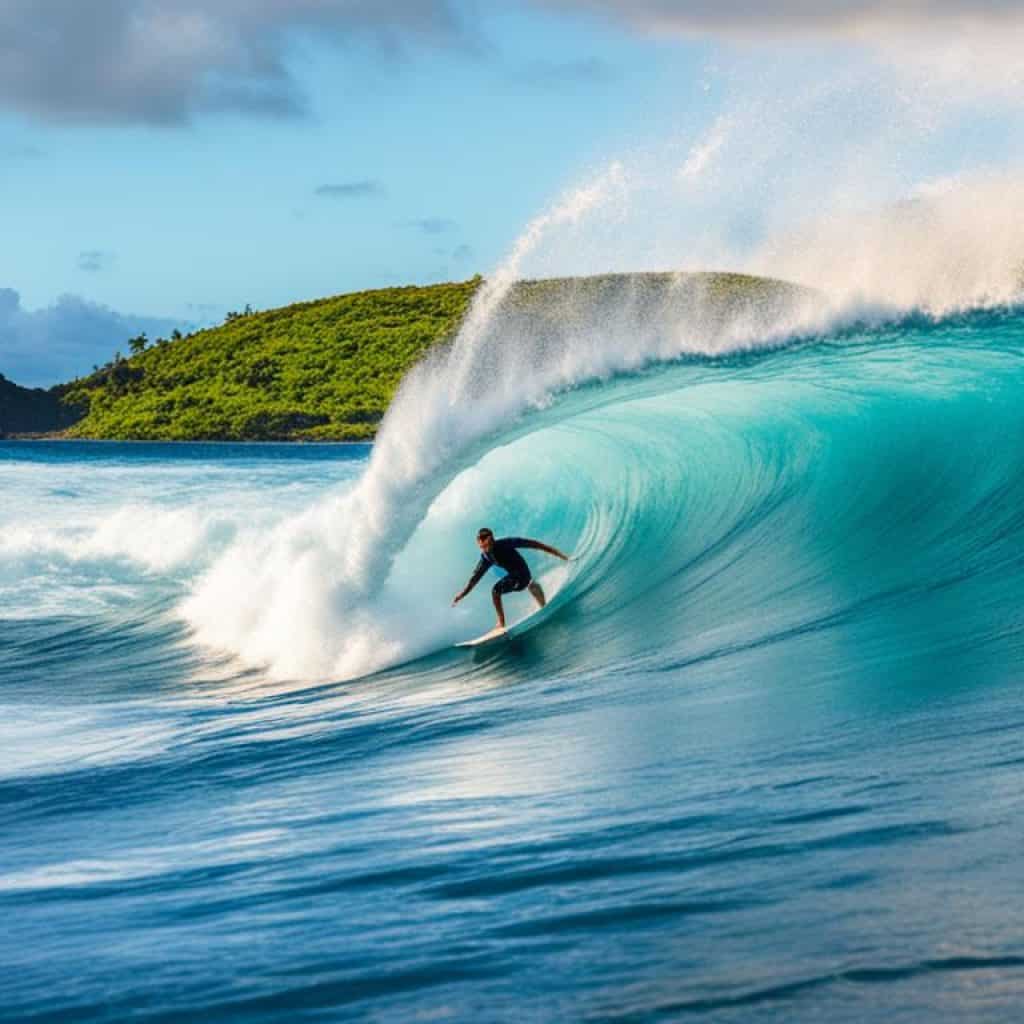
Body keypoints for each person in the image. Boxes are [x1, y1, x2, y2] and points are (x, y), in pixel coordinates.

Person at [452, 527, 570, 630]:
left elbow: (534, 544)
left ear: (491, 538)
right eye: (482, 545)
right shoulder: (485, 558)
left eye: (487, 542)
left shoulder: (505, 543)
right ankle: (534, 592)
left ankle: (501, 623)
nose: (484, 546)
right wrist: (462, 595)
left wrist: (559, 554)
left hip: (522, 574)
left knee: (496, 590)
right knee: (506, 589)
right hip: (517, 579)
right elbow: (474, 579)